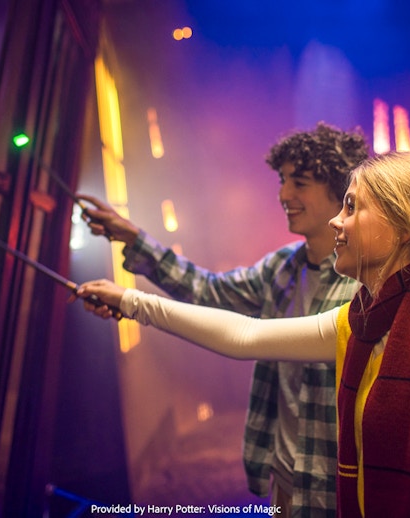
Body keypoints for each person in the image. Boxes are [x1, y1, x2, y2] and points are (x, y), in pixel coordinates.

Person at [75, 152, 410, 517]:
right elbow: (245, 337)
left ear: (403, 226)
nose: (338, 221)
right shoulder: (365, 318)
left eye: (352, 206)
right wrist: (130, 302)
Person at [77, 122, 368, 516]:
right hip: (286, 478)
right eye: (282, 181)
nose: (283, 194)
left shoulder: (364, 284)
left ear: (340, 189)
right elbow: (209, 292)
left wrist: (132, 302)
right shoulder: (282, 267)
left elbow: (243, 336)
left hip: (340, 488)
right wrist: (133, 240)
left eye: (299, 183)